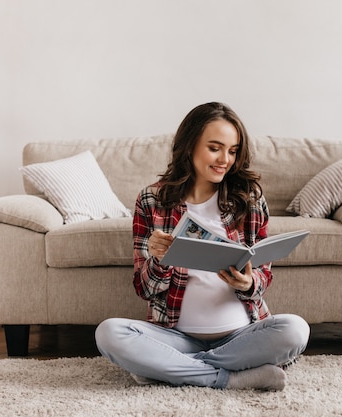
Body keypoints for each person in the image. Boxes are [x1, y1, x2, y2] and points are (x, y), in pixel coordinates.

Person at [95, 102, 310, 391]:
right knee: (109, 333)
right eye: (215, 148)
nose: (225, 159)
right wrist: (160, 261)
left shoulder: (249, 198)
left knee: (296, 330)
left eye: (233, 151)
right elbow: (143, 288)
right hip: (176, 336)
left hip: (241, 334)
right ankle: (230, 378)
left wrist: (248, 282)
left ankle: (169, 368)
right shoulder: (152, 200)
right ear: (189, 146)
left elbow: (262, 278)